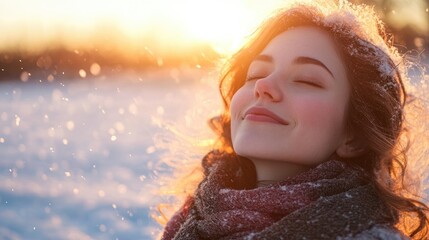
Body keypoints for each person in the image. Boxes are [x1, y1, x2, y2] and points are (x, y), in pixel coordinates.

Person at [160, 1, 429, 239]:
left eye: (305, 79)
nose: (263, 86)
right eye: (255, 74)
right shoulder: (189, 223)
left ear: (355, 135)